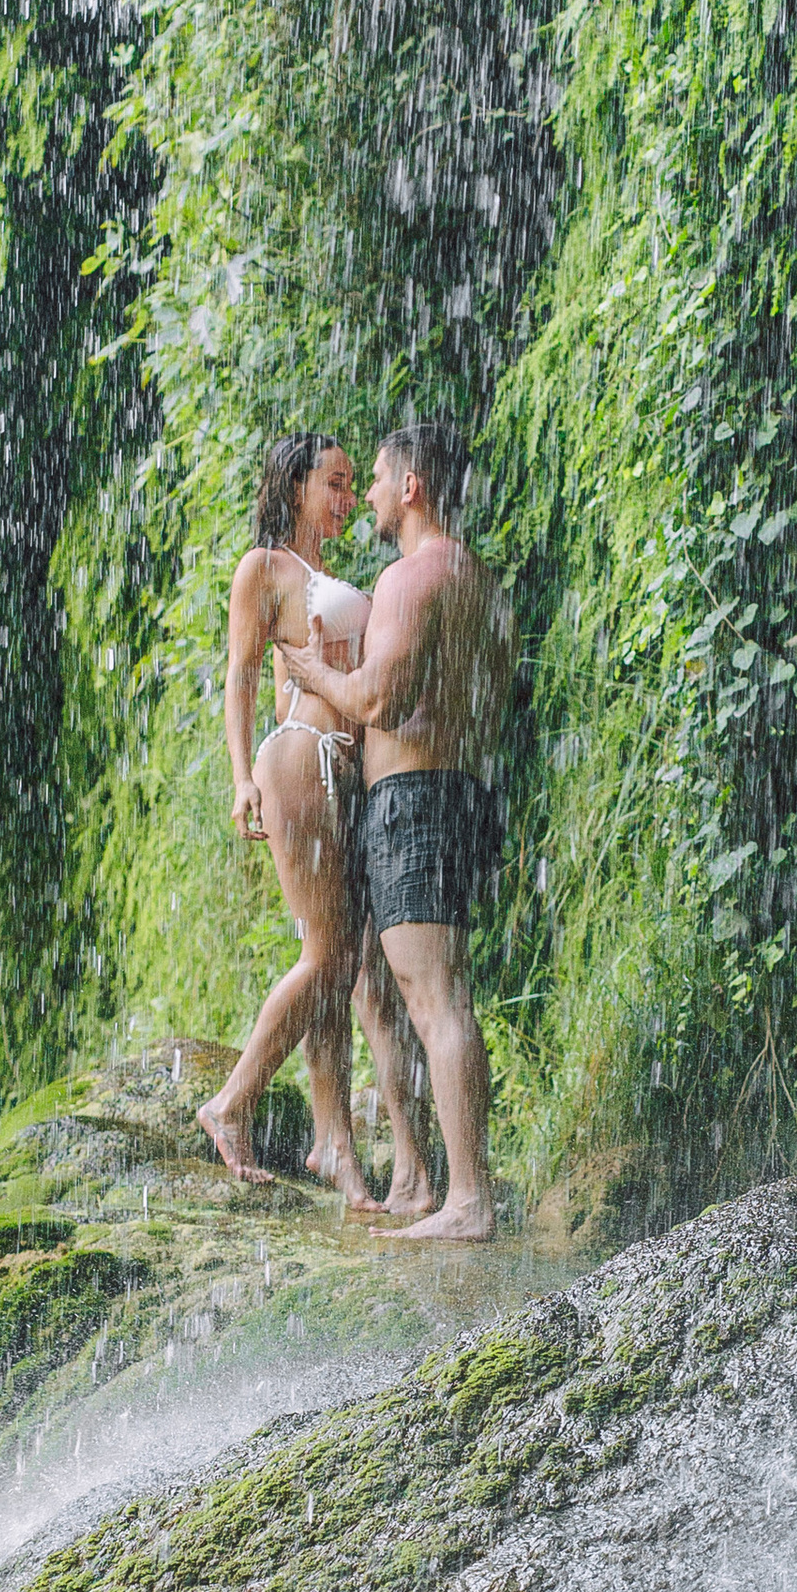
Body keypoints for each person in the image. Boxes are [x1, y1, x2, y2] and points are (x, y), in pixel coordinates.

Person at [281, 422, 515, 1242]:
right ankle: (418, 1182)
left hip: (420, 800)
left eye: (377, 479)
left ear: (411, 487)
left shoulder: (416, 576)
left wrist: (314, 674)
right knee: (389, 992)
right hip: (447, 795)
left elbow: (381, 697)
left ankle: (469, 1200)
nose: (369, 494)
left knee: (435, 996)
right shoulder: (476, 578)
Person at [196, 434, 433, 1218]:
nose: (343, 498)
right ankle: (233, 1103)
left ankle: (334, 1142)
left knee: (344, 966)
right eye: (331, 484)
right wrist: (239, 778)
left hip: (352, 771)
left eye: (347, 485)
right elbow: (240, 677)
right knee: (327, 954)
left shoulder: (336, 578)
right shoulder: (264, 569)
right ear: (294, 486)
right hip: (299, 757)